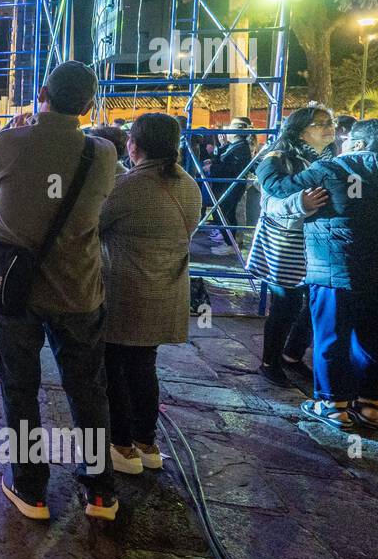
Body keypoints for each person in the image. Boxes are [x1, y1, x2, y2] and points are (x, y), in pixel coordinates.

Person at [0, 61, 119, 521]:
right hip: (78, 289)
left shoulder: (10, 142)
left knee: (20, 389)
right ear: (90, 105)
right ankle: (100, 492)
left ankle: (31, 489)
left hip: (15, 289)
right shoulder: (103, 153)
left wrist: (18, 135)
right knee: (87, 390)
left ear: (42, 93)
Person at [259, 119, 378, 431]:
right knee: (375, 343)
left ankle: (332, 404)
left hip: (336, 274)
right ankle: (369, 406)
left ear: (359, 143)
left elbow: (277, 187)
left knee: (331, 337)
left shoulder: (335, 170)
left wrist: (270, 159)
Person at [99, 113, 202, 475]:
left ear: (133, 145)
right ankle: (147, 441)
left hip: (126, 291)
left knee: (114, 369)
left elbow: (94, 224)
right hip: (167, 292)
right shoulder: (189, 186)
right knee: (144, 367)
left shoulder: (127, 186)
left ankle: (122, 445)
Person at [247, 106, 335, 386]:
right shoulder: (277, 159)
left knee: (313, 303)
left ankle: (292, 356)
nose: (328, 127)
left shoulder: (332, 158)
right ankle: (270, 361)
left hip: (318, 243)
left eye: (329, 122)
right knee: (285, 303)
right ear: (300, 130)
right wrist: (302, 202)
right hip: (285, 243)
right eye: (320, 123)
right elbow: (271, 199)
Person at [205, 116, 253, 254]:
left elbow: (232, 169)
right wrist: (220, 149)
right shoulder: (235, 146)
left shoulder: (241, 148)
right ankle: (229, 242)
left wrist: (212, 168)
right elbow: (224, 160)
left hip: (231, 186)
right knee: (224, 213)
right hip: (227, 186)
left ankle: (230, 244)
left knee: (226, 214)